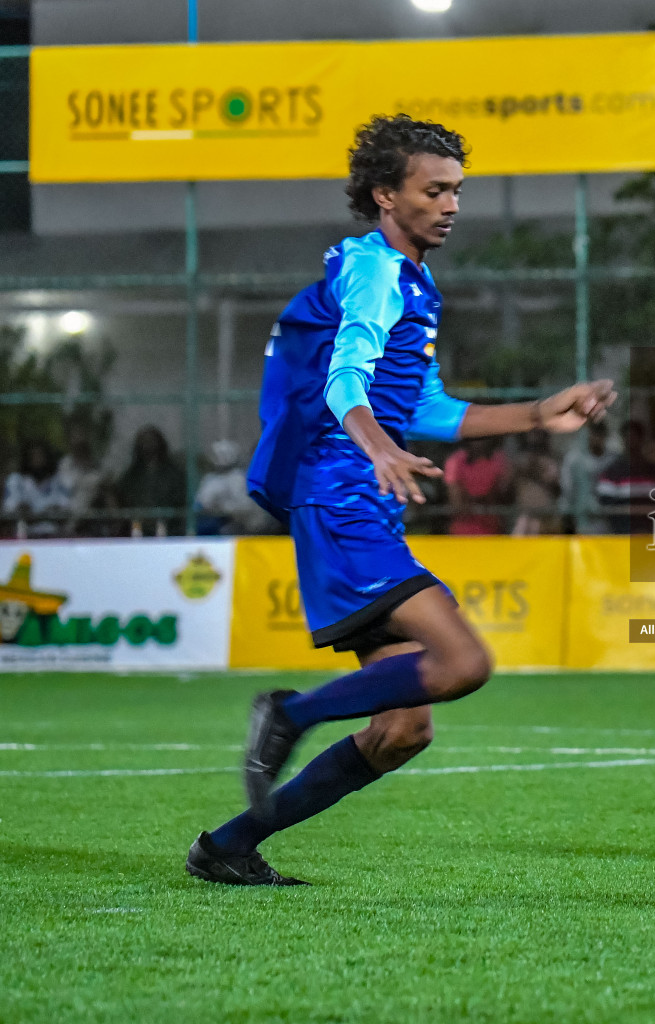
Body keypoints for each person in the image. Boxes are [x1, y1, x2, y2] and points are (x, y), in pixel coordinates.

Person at [186, 114, 614, 887]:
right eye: (434, 190)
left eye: (457, 190)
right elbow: (346, 374)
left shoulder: (412, 279)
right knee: (462, 662)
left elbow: (426, 409)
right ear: (386, 195)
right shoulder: (374, 269)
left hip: (358, 502)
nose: (451, 205)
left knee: (403, 730)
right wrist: (373, 442)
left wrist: (536, 412)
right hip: (340, 495)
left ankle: (227, 846)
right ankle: (292, 714)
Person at [114, 425, 186, 537]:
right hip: (138, 525)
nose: (148, 445)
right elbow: (123, 496)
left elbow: (179, 498)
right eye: (144, 441)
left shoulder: (172, 473)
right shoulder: (133, 474)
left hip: (167, 525)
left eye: (151, 440)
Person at [196, 439, 276, 535]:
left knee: (225, 530)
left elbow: (245, 506)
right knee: (204, 527)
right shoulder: (210, 478)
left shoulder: (240, 478)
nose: (221, 458)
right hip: (216, 519)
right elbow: (200, 503)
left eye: (224, 454)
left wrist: (223, 508)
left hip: (242, 523)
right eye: (218, 454)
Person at [442, 436, 511, 535]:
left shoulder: (499, 460)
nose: (478, 442)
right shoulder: (455, 461)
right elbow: (456, 500)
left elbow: (503, 494)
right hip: (461, 532)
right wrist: (478, 501)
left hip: (493, 531)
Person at [3, 440, 68, 538]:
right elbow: (9, 508)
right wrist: (25, 511)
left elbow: (66, 507)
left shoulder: (58, 480)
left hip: (53, 536)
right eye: (34, 456)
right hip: (24, 536)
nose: (38, 460)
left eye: (41, 456)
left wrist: (48, 512)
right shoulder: (16, 480)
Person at [558, 420, 613, 534]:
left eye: (600, 434)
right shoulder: (574, 460)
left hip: (606, 519)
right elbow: (567, 488)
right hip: (578, 517)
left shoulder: (612, 460)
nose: (597, 438)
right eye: (594, 434)